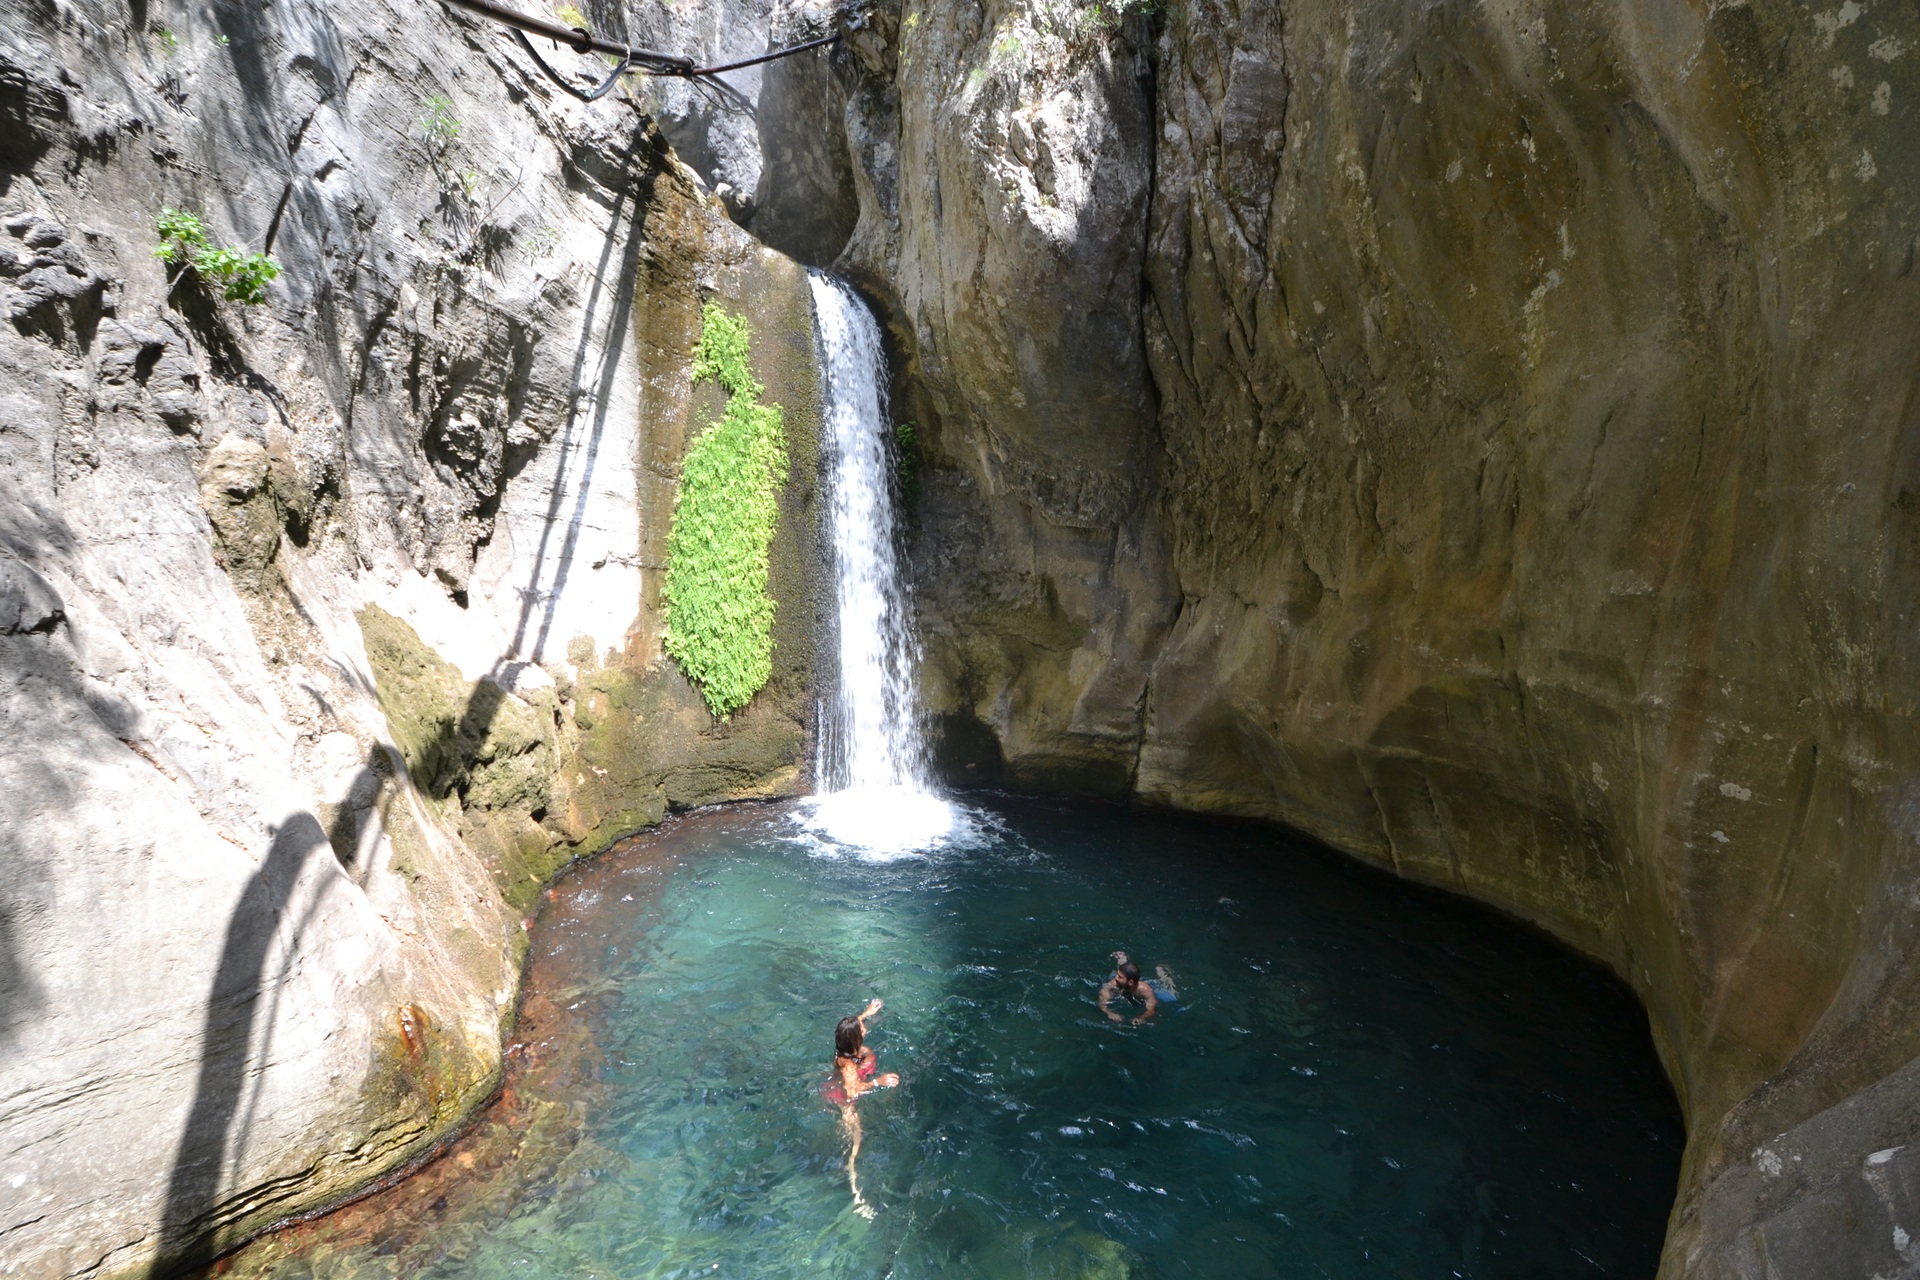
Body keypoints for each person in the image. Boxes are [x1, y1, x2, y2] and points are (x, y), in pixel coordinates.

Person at [823, 998, 899, 1217]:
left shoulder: (844, 1045)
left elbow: (851, 1025)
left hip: (833, 1085)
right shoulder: (847, 1067)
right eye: (862, 1029)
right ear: (854, 1039)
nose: (864, 1030)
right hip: (842, 1099)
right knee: (856, 1142)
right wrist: (878, 1082)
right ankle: (855, 1190)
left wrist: (866, 1013)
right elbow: (853, 1091)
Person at [1098, 950, 1178, 1024]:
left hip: (1143, 985)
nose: (1115, 978)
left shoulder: (1145, 990)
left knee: (1170, 997)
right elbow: (1102, 1001)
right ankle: (1122, 961)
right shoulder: (1113, 983)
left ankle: (1164, 975)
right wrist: (1110, 1013)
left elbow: (1151, 1009)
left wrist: (1141, 1017)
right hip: (1129, 985)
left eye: (1120, 977)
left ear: (1130, 982)